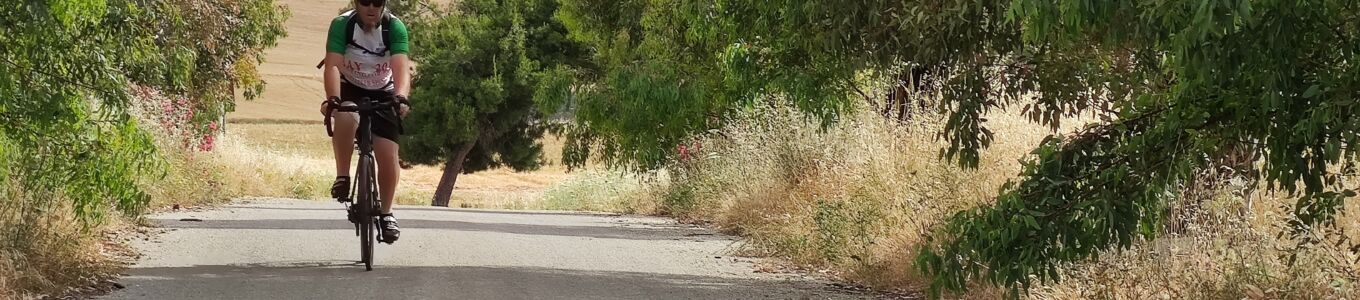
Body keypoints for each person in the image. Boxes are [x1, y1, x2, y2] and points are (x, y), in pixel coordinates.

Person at [318, 0, 411, 243]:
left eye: (377, 2)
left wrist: (401, 98)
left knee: (388, 154)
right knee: (345, 113)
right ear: (355, 4)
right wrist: (333, 99)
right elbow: (333, 66)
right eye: (364, 2)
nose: (371, 7)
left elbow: (401, 67)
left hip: (383, 91)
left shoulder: (395, 28)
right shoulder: (342, 25)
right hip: (350, 87)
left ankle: (386, 213)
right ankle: (342, 176)